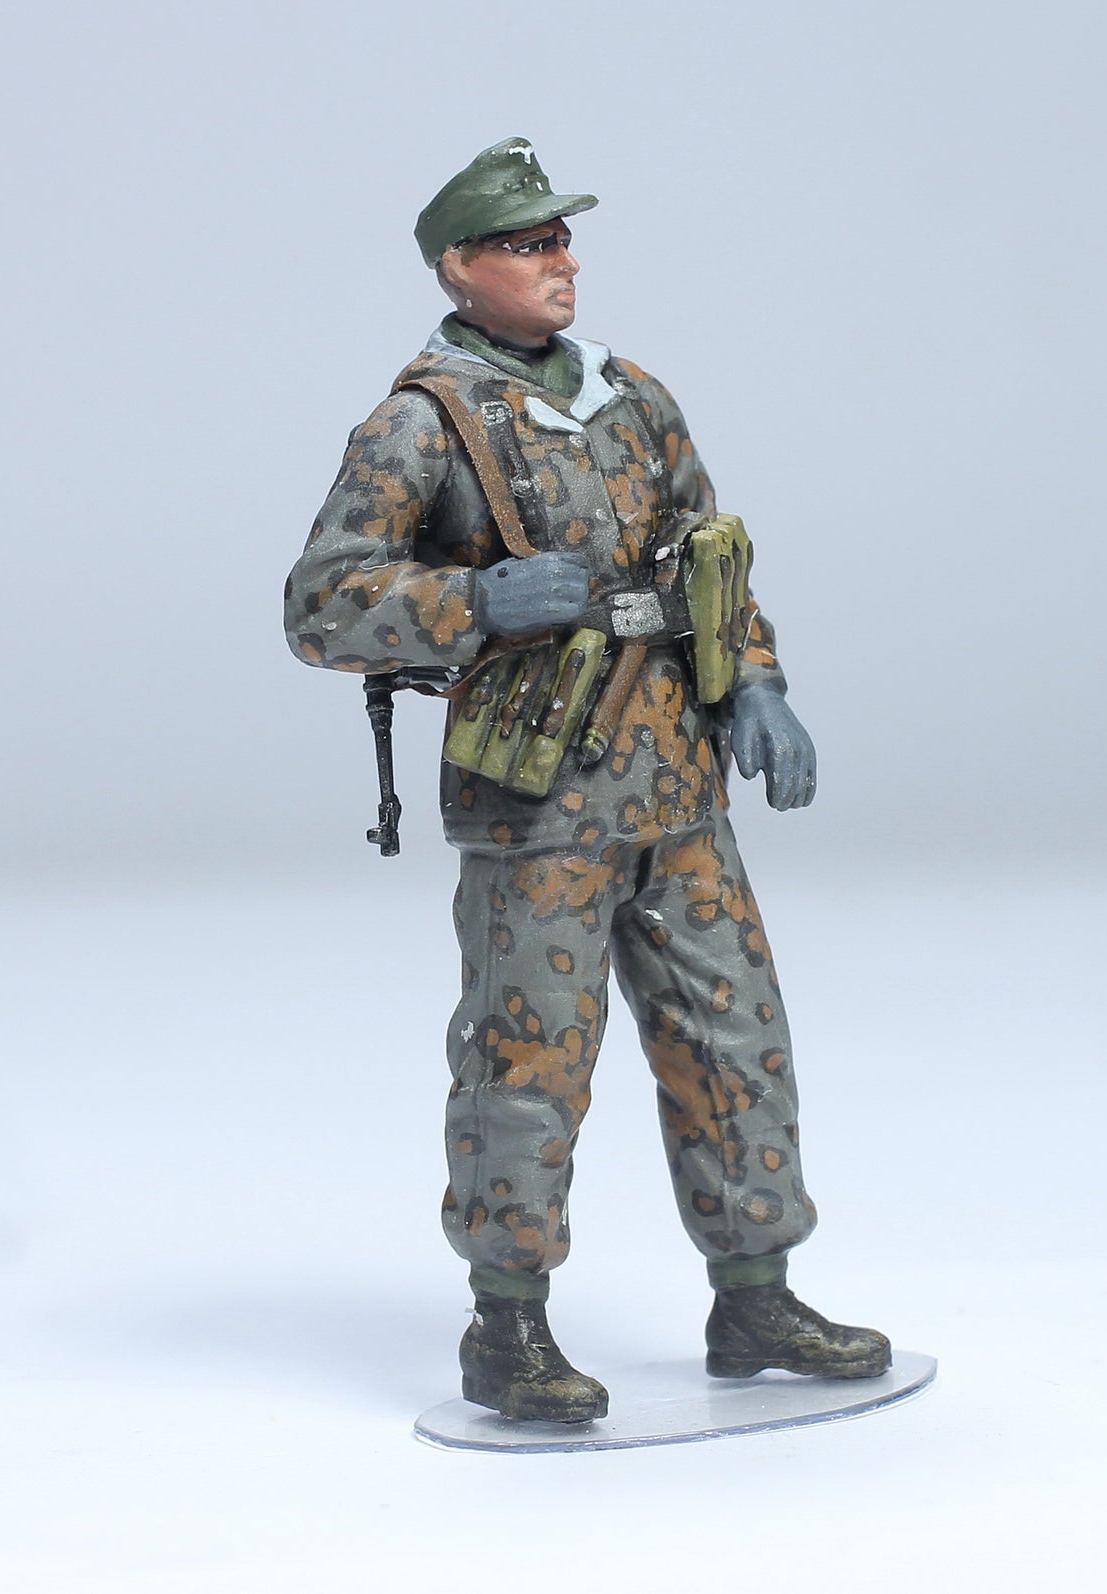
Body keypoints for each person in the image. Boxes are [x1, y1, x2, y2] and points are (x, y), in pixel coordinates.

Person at [285, 137, 889, 1423]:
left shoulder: (634, 396)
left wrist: (756, 682)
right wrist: (473, 601)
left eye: (561, 238)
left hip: (678, 780)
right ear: (458, 267)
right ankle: (505, 1326)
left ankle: (756, 1293)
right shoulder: (422, 423)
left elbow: (709, 560)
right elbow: (323, 603)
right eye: (527, 243)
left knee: (735, 1036)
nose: (560, 261)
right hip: (539, 801)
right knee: (527, 1061)